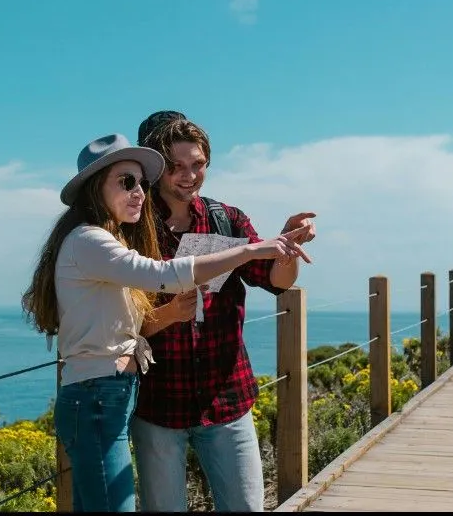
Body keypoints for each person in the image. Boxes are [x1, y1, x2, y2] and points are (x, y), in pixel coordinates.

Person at [22, 132, 311, 513]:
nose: (138, 191)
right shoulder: (108, 238)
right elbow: (163, 274)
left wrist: (282, 248)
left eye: (139, 181)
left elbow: (274, 280)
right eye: (128, 182)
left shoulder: (218, 219)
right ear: (96, 187)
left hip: (193, 397)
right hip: (135, 402)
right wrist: (252, 249)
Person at [132, 112, 317, 512]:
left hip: (227, 398)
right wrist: (168, 315)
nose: (189, 175)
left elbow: (276, 280)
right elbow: (119, 320)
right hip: (160, 403)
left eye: (197, 165)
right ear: (156, 169)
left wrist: (286, 245)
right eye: (176, 167)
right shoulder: (133, 227)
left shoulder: (227, 219)